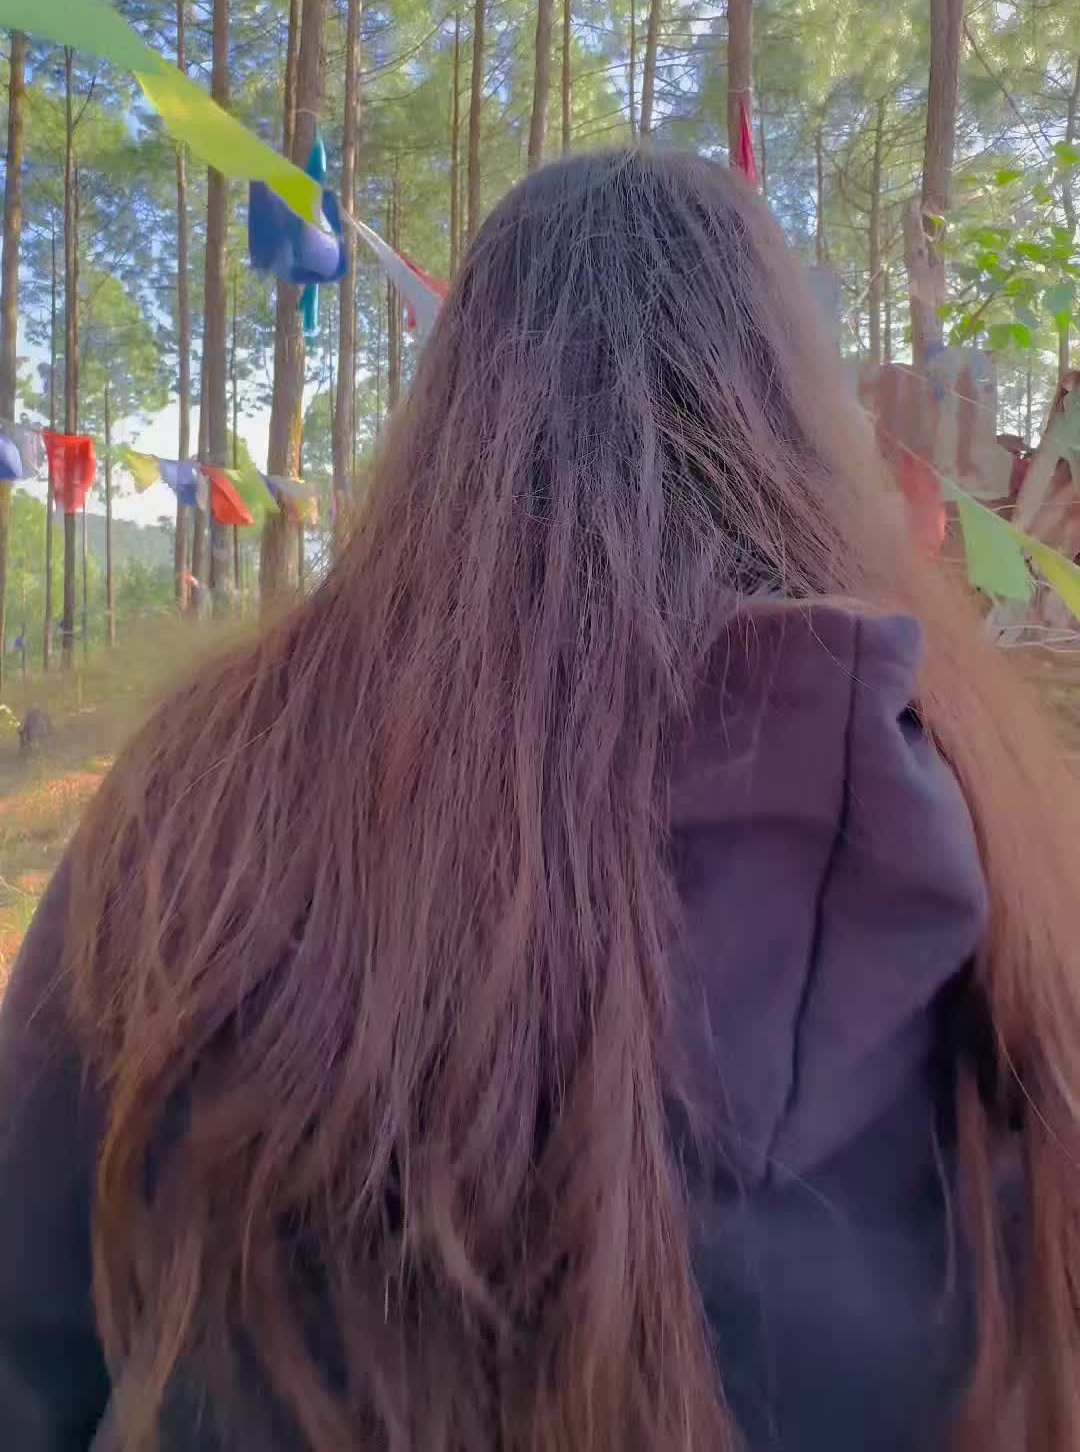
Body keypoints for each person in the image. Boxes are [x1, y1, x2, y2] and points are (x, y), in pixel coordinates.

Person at [1, 146, 1078, 1452]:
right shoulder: (989, 797)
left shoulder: (208, 784)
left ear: (450, 413)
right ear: (798, 415)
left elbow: (30, 1328)